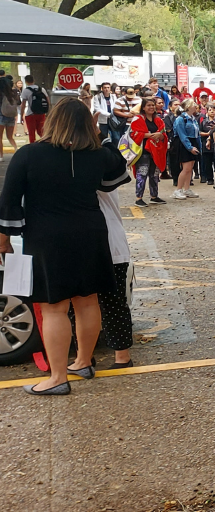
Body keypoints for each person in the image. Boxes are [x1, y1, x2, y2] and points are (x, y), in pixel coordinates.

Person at [0, 99, 131, 395]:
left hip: (47, 236)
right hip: (92, 233)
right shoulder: (96, 155)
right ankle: (83, 361)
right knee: (87, 301)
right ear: (88, 124)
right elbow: (118, 174)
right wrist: (100, 138)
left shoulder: (29, 154)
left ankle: (57, 377)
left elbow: (8, 200)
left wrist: (5, 237)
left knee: (54, 308)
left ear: (52, 119)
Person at [97, 186, 135, 369]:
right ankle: (84, 357)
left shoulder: (103, 159)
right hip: (85, 242)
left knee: (113, 302)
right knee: (80, 305)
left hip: (110, 242)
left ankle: (122, 356)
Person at [129, 97, 169, 207]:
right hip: (143, 151)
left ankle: (154, 196)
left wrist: (160, 136)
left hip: (156, 151)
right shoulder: (138, 119)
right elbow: (134, 134)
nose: (151, 107)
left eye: (152, 105)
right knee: (142, 174)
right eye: (148, 105)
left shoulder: (158, 120)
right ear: (143, 107)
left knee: (154, 174)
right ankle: (139, 198)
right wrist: (150, 135)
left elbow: (164, 134)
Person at [171, 99, 201, 200]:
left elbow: (197, 134)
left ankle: (186, 189)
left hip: (192, 143)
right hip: (184, 144)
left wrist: (198, 146)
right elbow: (182, 135)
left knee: (190, 168)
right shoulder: (181, 119)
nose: (195, 106)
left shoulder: (193, 118)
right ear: (188, 107)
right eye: (193, 105)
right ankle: (178, 190)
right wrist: (190, 147)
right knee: (186, 168)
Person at [19, 74, 50, 142]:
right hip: (41, 114)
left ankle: (32, 146)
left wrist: (21, 116)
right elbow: (48, 101)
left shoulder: (26, 91)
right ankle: (47, 143)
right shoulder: (42, 89)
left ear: (26, 81)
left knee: (31, 133)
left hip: (31, 114)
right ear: (34, 80)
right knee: (41, 131)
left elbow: (23, 105)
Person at [198, 99, 215, 186]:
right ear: (207, 111)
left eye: (214, 110)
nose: (212, 112)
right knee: (207, 162)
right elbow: (199, 132)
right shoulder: (203, 122)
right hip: (206, 145)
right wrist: (208, 134)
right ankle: (209, 179)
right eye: (210, 110)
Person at [0, 78, 19, 159]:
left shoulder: (1, 94)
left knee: (0, 137)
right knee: (10, 137)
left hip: (1, 116)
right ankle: (16, 150)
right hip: (11, 116)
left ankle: (1, 156)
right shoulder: (13, 93)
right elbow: (19, 102)